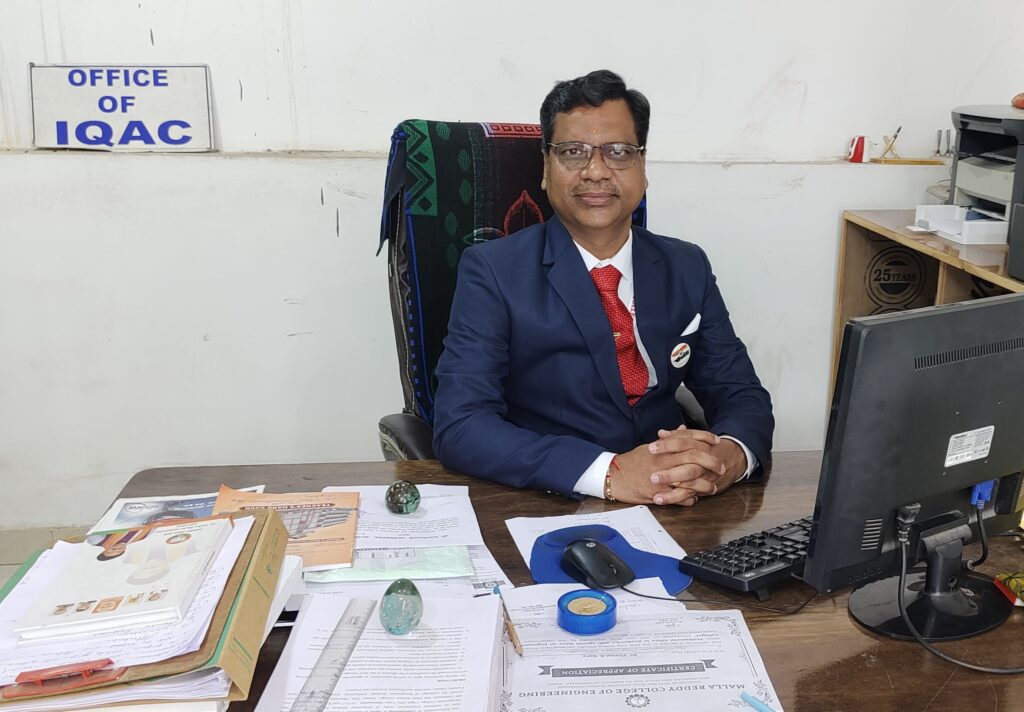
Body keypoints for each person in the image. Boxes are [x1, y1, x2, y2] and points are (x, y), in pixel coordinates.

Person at [432, 70, 773, 506]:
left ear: (642, 167)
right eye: (573, 152)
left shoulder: (686, 265)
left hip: (680, 501)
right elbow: (461, 425)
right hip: (553, 502)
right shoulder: (493, 271)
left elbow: (739, 392)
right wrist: (609, 474)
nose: (595, 171)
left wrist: (728, 458)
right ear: (546, 168)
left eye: (618, 152)